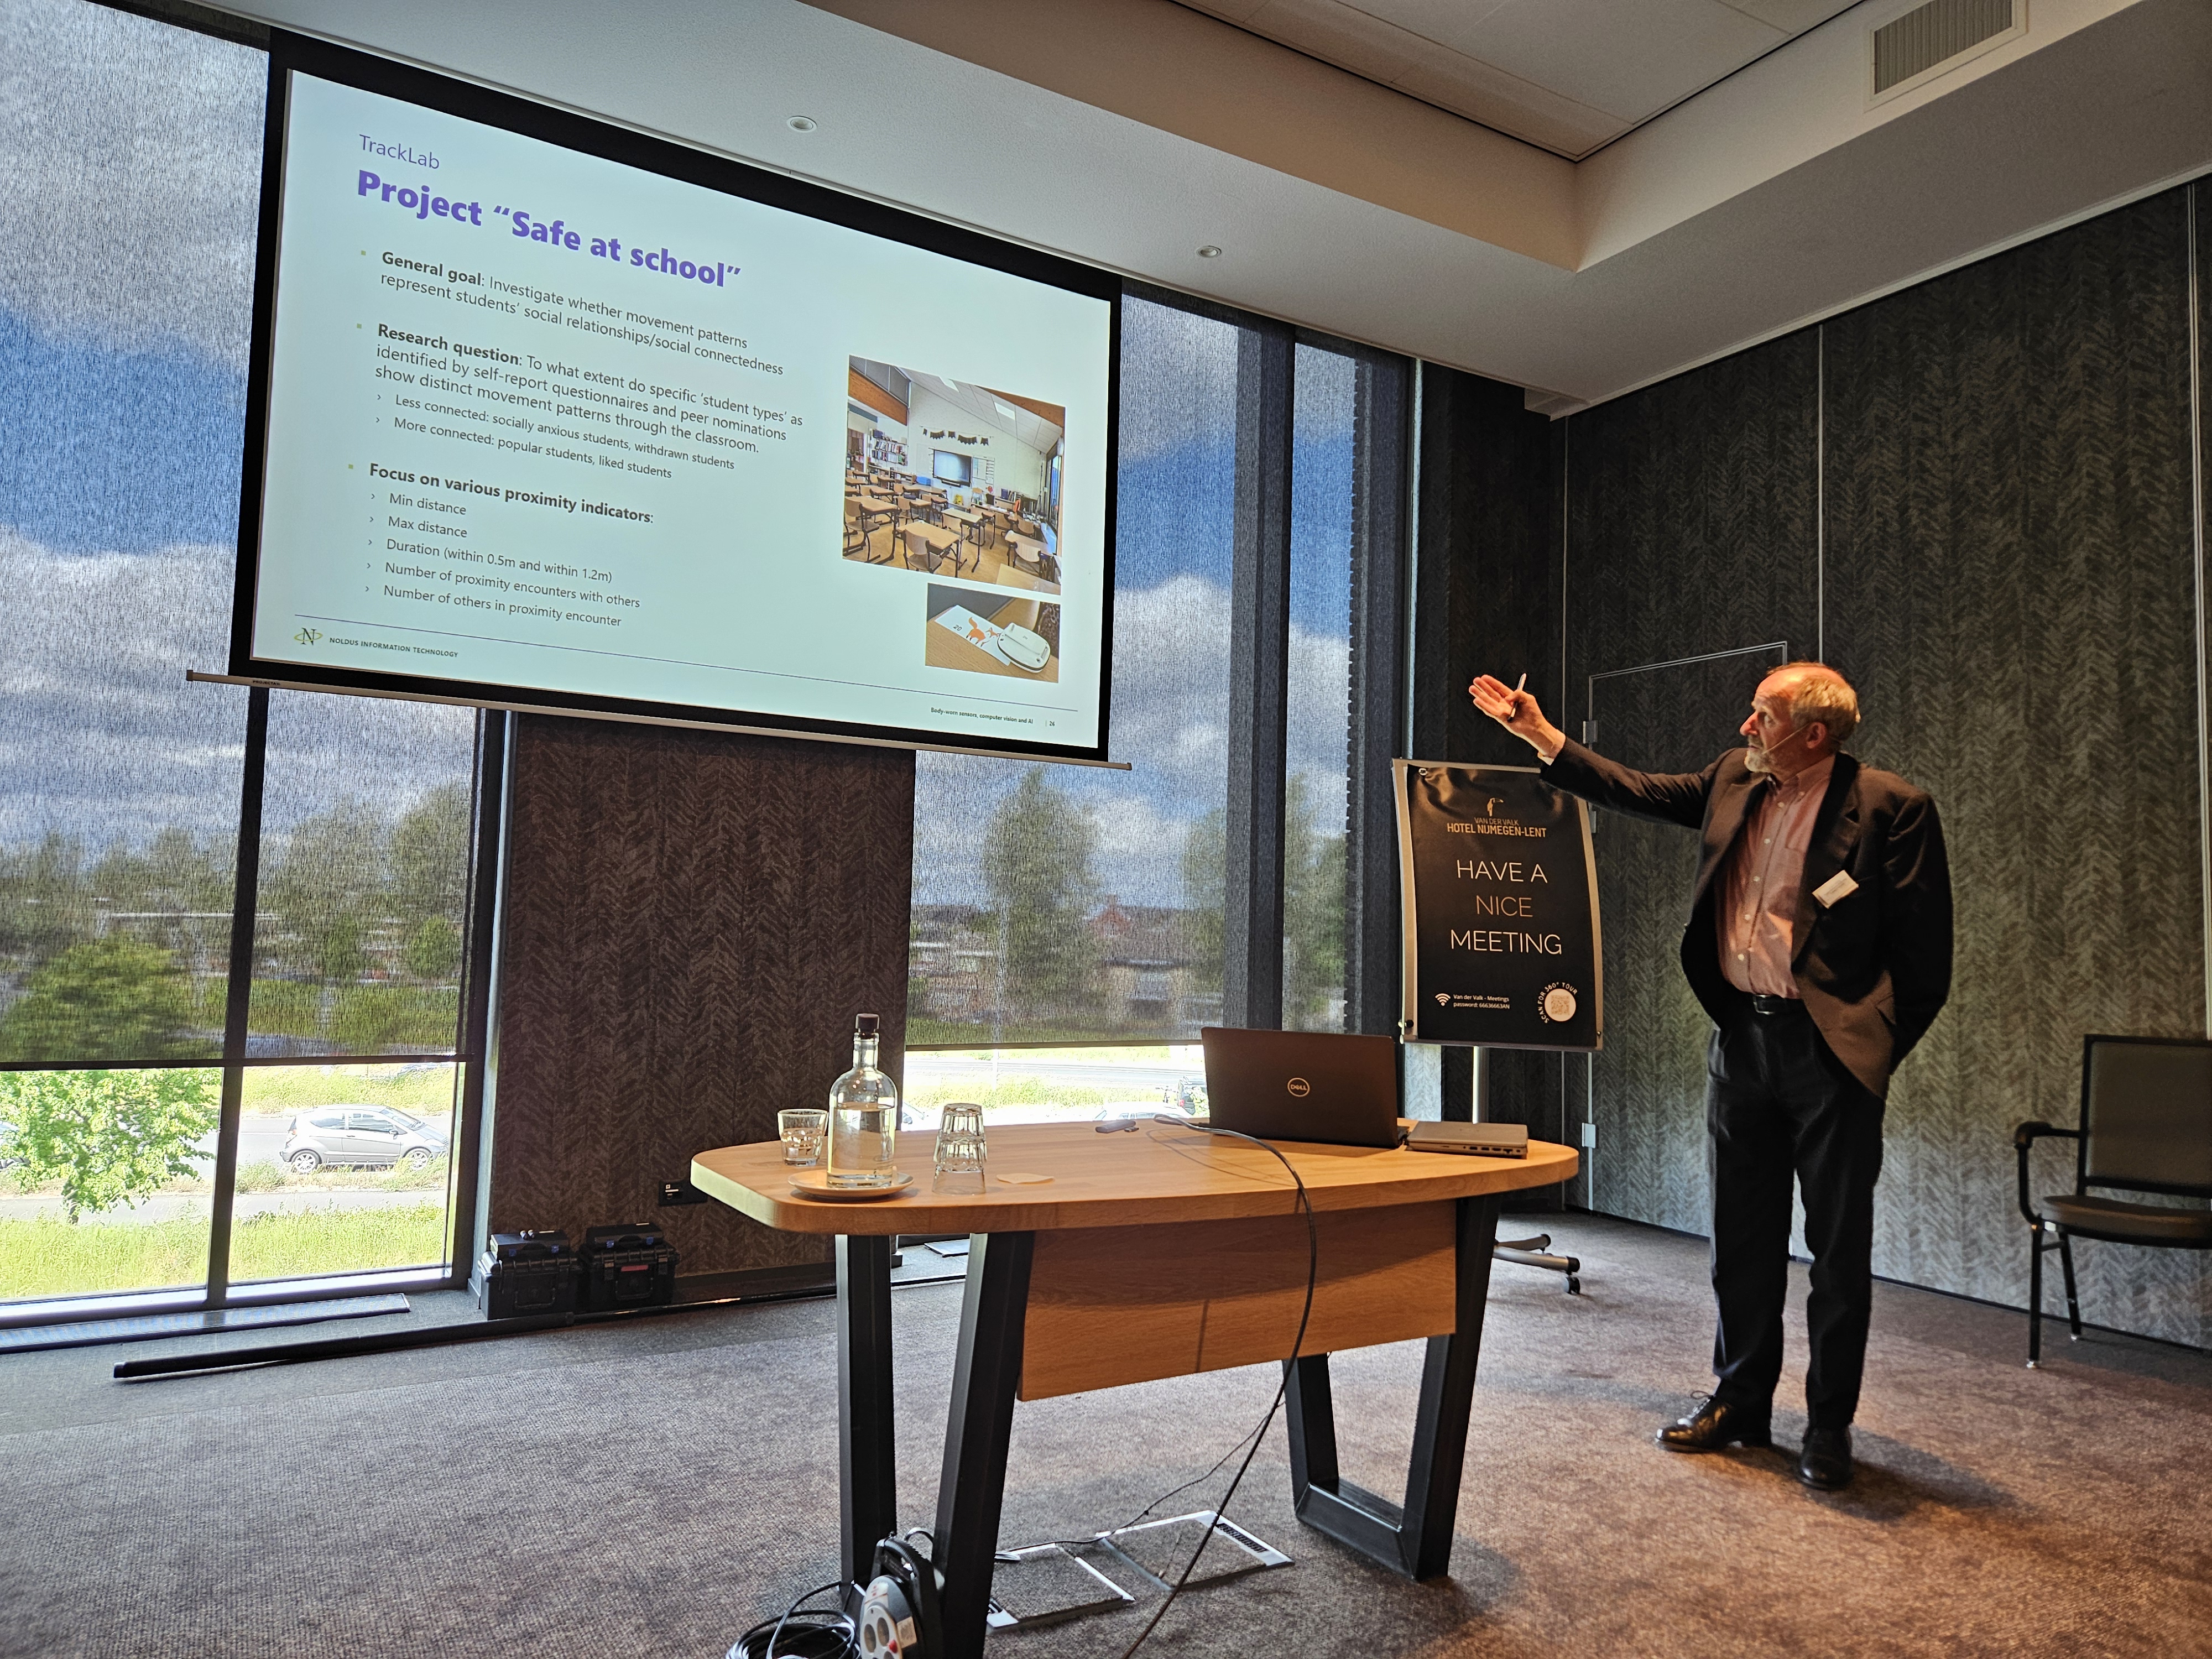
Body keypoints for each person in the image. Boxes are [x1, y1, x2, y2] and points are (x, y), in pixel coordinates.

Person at [1468, 662, 1952, 1490]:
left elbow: (1925, 956)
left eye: (1763, 715)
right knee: (1741, 1238)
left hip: (1830, 1055)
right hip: (1742, 1043)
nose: (1745, 726)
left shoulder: (1889, 807)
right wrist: (1540, 736)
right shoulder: (1736, 778)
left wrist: (1867, 1049)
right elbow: (1637, 790)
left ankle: (1828, 1427)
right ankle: (1741, 1402)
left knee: (1837, 1253)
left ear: (1814, 734)